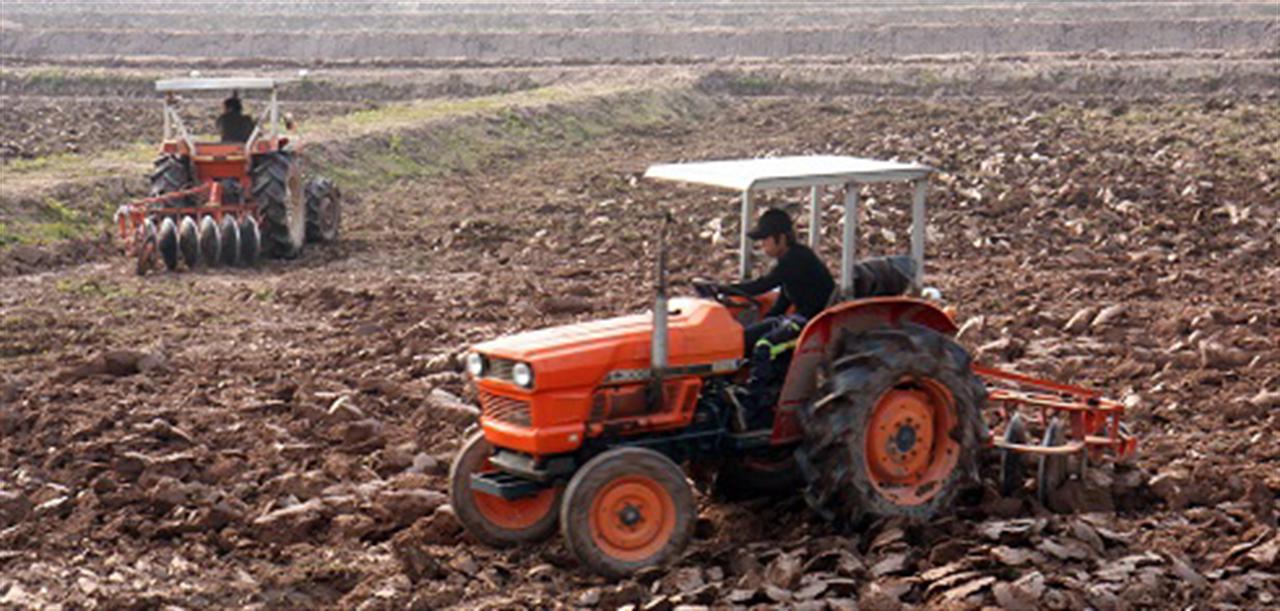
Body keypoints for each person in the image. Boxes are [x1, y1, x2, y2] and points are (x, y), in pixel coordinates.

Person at [716, 208, 835, 429]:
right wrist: (761, 323)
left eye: (765, 240)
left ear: (781, 238)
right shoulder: (788, 262)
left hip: (813, 322)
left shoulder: (798, 258)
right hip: (797, 317)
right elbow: (783, 301)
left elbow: (764, 285)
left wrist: (726, 288)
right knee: (744, 338)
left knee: (765, 346)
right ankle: (730, 392)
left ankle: (754, 411)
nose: (763, 246)